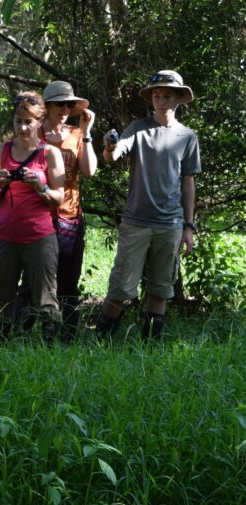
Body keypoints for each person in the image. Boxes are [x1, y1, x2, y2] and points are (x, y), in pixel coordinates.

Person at [97, 70, 199, 341]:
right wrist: (110, 146)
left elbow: (188, 183)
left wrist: (189, 226)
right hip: (136, 221)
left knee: (161, 288)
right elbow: (115, 155)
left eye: (167, 95)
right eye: (156, 95)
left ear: (178, 99)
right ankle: (100, 344)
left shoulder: (187, 137)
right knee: (120, 286)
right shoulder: (138, 128)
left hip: (171, 224)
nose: (161, 100)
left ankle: (150, 347)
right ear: (150, 99)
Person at [0, 92, 66, 341]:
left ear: (40, 121)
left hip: (39, 235)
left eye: (28, 121)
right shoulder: (1, 150)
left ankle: (51, 346)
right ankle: (0, 343)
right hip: (5, 235)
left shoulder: (50, 153)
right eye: (18, 120)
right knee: (3, 297)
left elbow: (59, 197)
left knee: (46, 297)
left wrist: (40, 188)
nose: (22, 127)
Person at [39, 80, 98, 341]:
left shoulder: (76, 133)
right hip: (38, 214)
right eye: (59, 103)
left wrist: (86, 132)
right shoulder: (34, 132)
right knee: (38, 277)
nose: (65, 108)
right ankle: (38, 328)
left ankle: (68, 333)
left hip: (70, 216)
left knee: (68, 278)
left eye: (69, 104)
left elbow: (89, 170)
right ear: (48, 106)